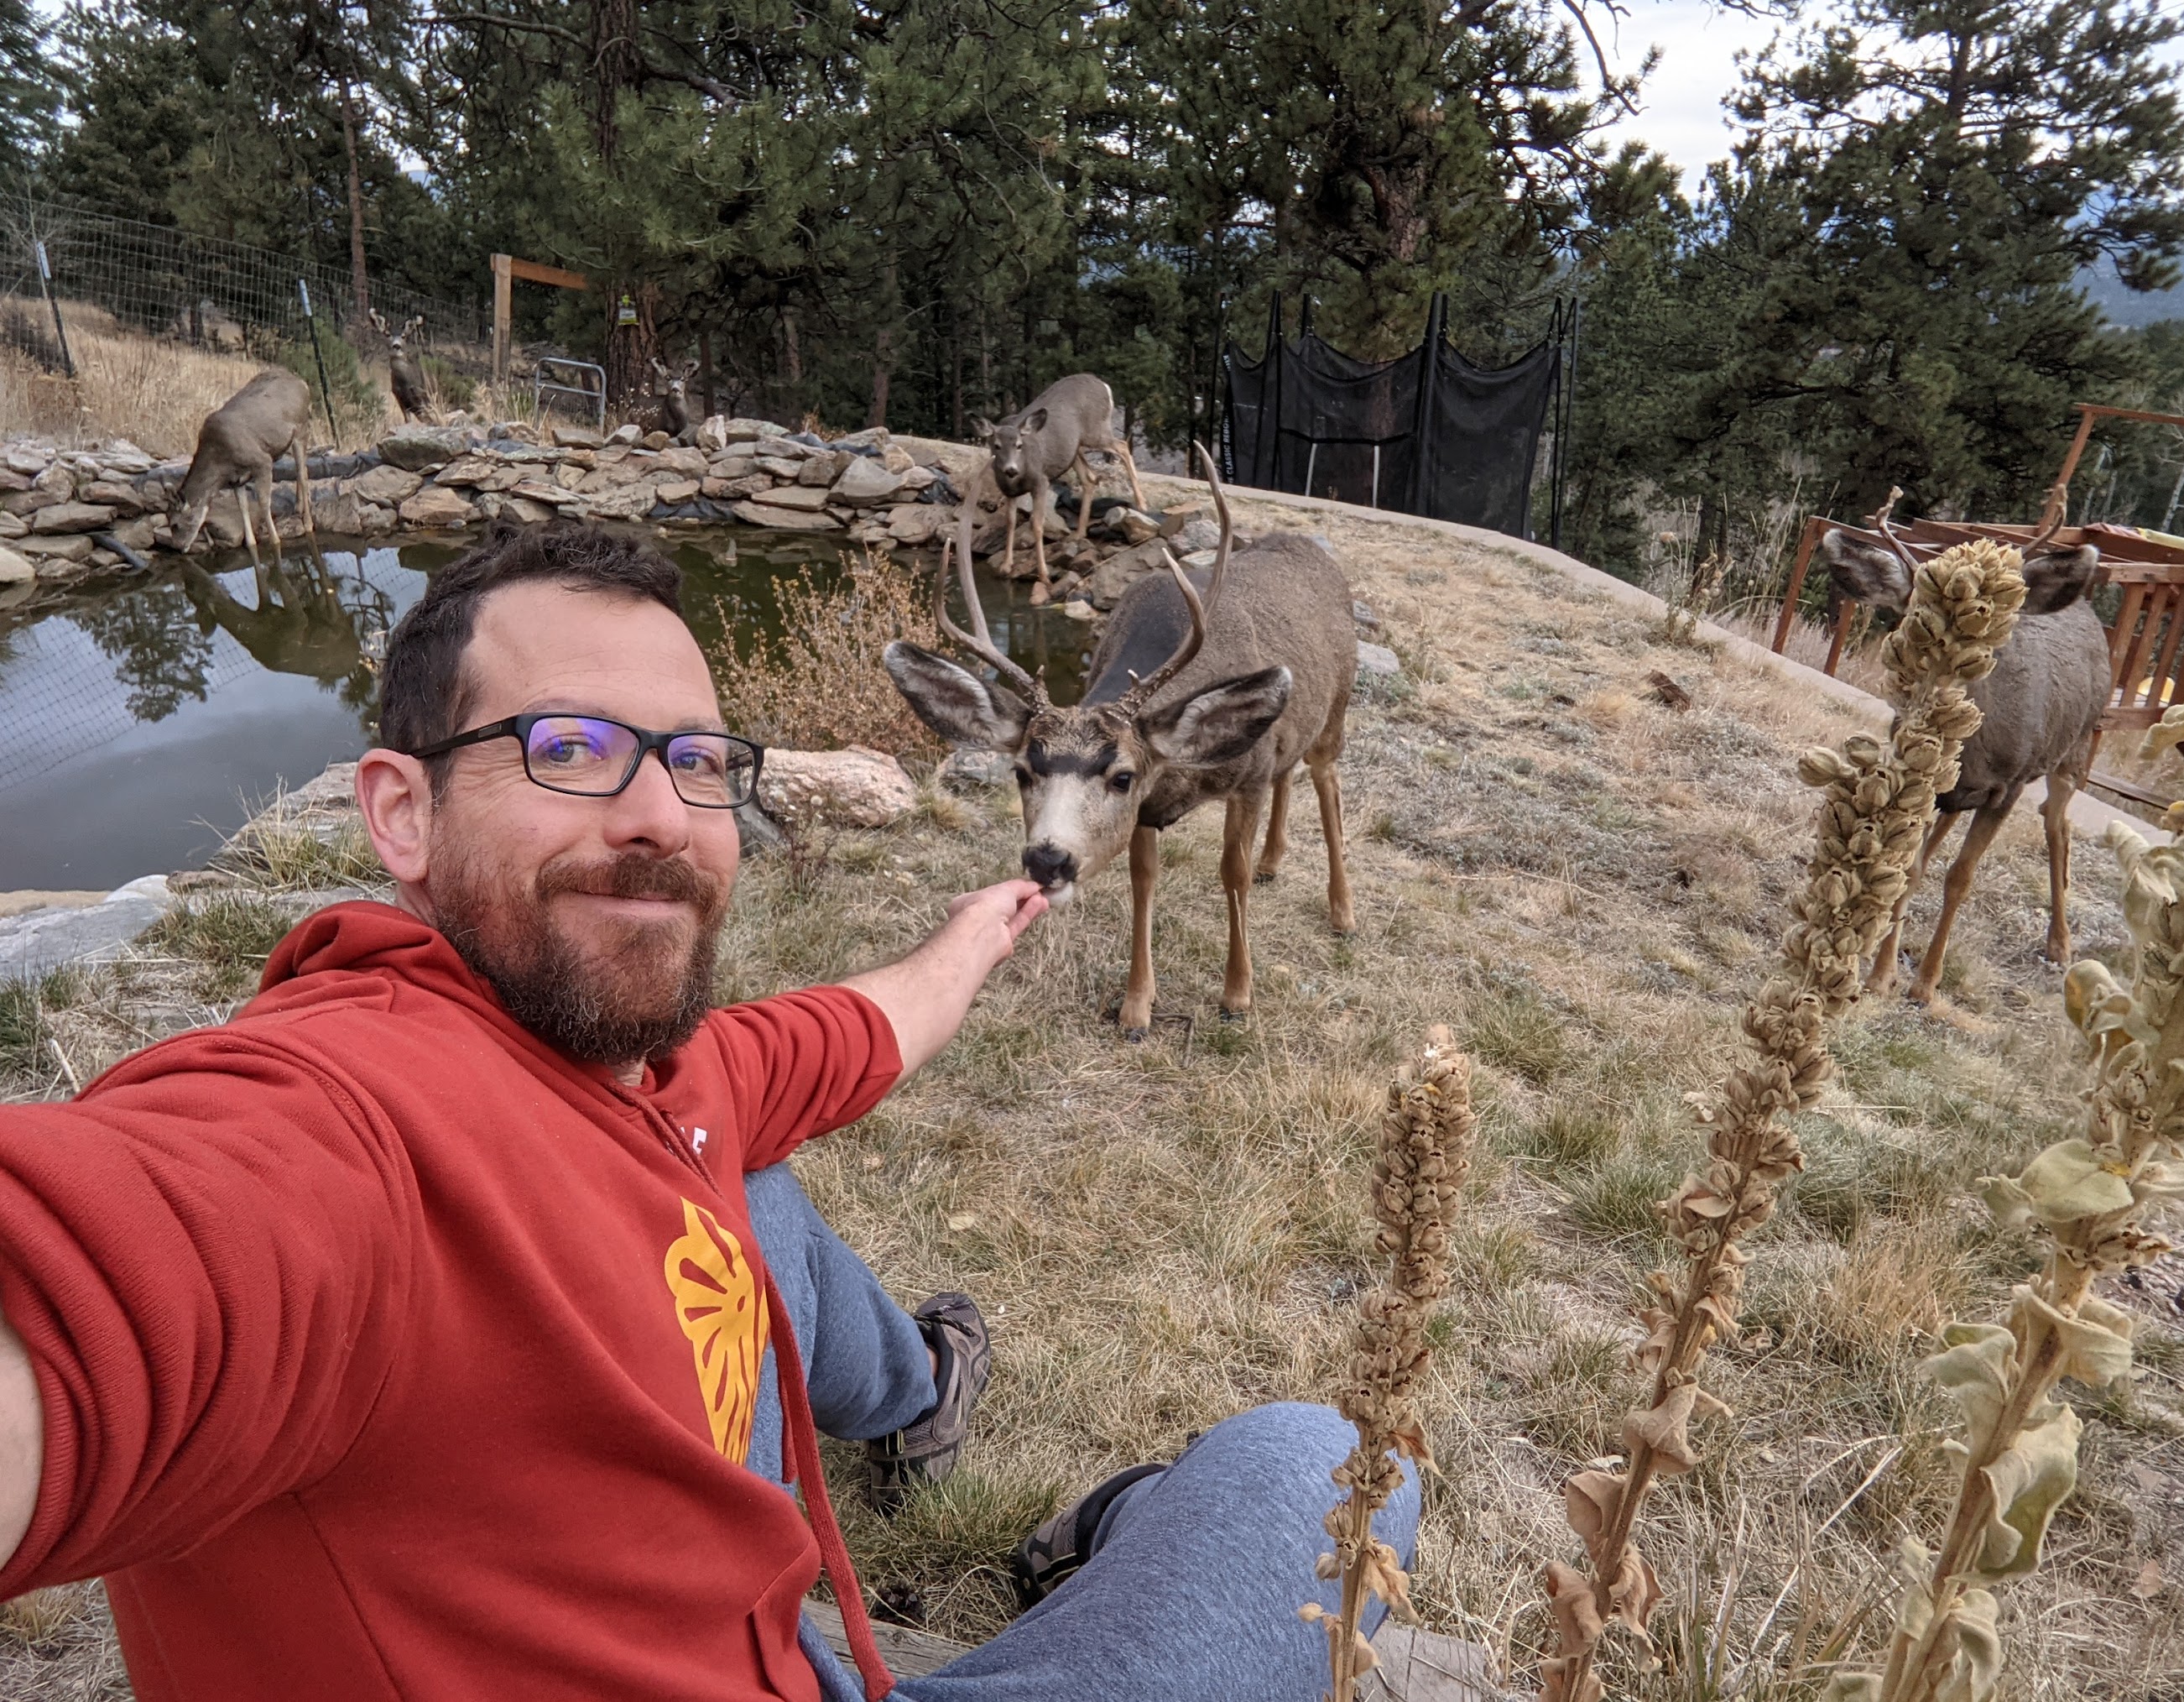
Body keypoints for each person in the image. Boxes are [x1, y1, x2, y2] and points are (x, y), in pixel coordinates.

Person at [0, 521, 1414, 1702]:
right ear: (400, 814)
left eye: (694, 762)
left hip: (752, 1628)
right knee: (1341, 1460)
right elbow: (118, 1281)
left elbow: (835, 1036)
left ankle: (921, 1390)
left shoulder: (631, 1064)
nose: (660, 818)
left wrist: (977, 934)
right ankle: (1097, 1507)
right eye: (568, 747)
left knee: (749, 1178)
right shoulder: (330, 1132)